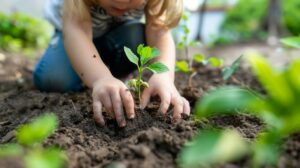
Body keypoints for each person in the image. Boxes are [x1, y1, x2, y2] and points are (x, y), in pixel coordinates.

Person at [33, 0, 190, 127]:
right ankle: (92, 70)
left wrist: (164, 76)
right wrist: (100, 79)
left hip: (119, 36)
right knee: (54, 78)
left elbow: (158, 30)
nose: (122, 1)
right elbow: (77, 31)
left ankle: (113, 76)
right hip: (74, 36)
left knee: (135, 38)